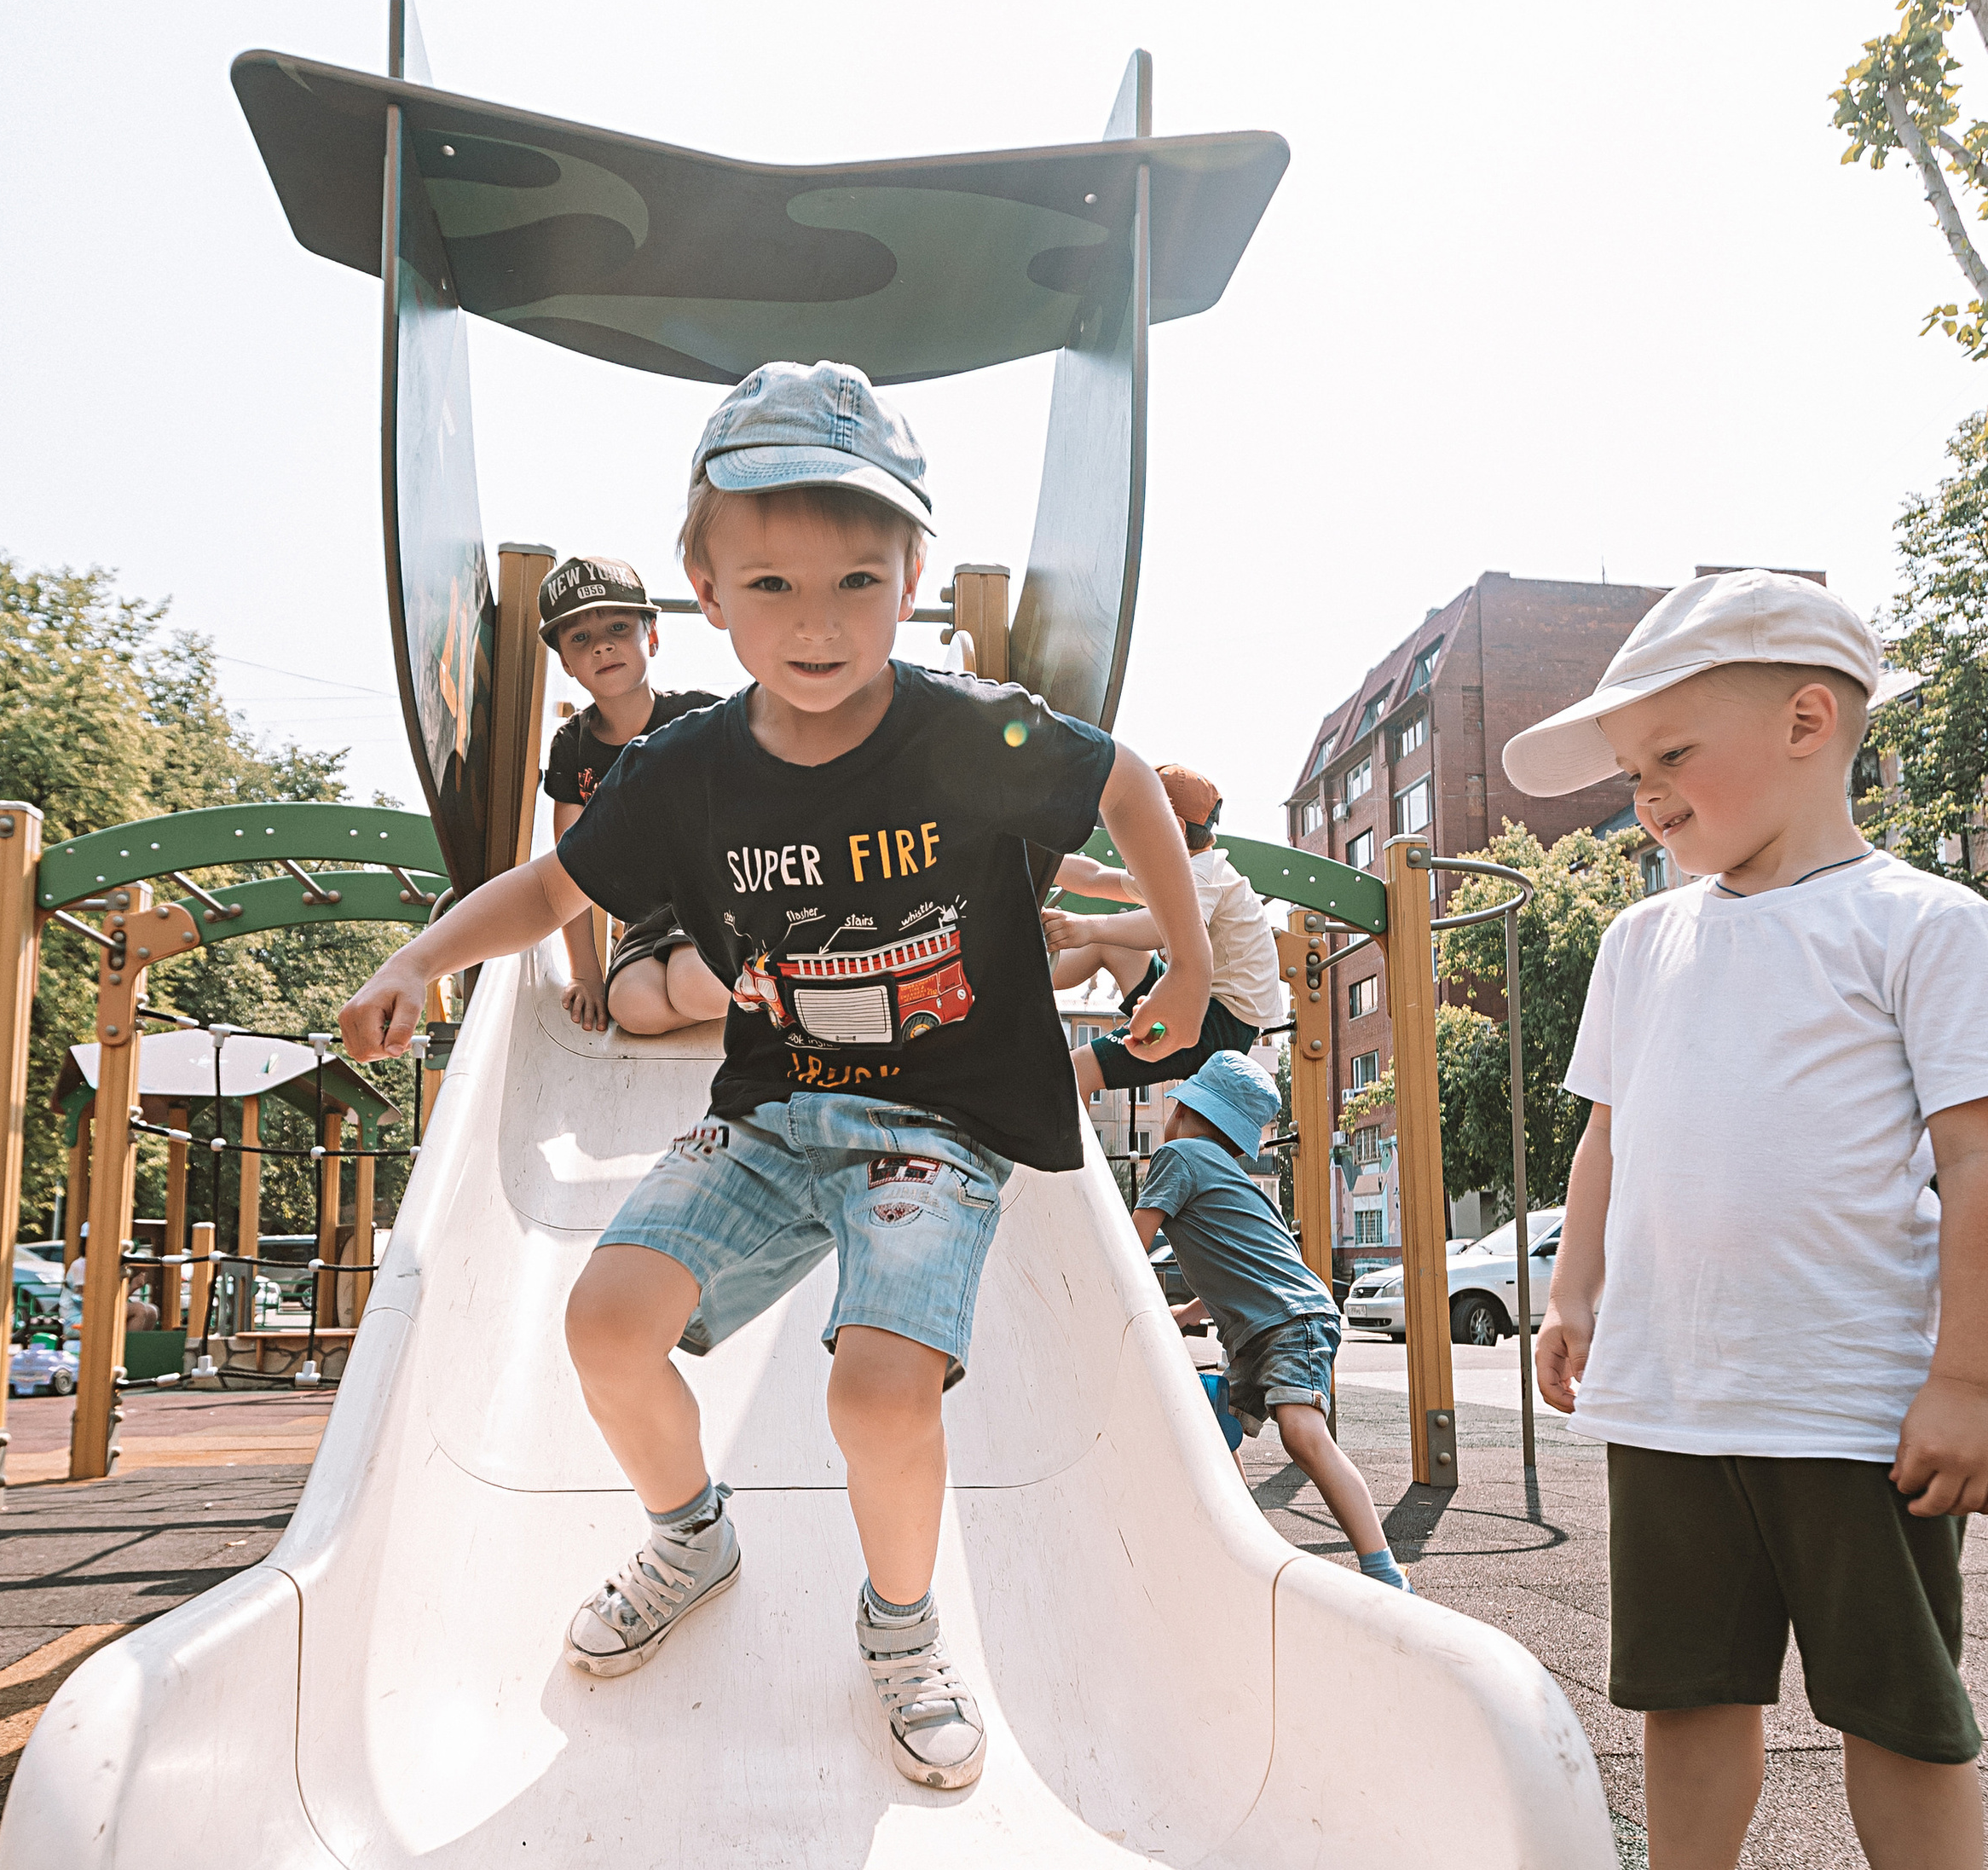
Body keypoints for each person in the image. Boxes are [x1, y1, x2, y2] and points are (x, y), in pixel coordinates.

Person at [341, 358, 1209, 1792]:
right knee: (605, 1323)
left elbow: (1119, 780)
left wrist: (1185, 955)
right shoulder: (686, 771)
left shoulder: (964, 729)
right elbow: (554, 889)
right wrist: (419, 958)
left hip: (936, 1123)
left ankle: (902, 1629)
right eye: (773, 586)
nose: (818, 623)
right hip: (772, 1113)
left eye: (858, 582)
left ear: (912, 577)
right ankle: (692, 1535)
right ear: (707, 588)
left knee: (878, 1395)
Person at [1510, 569, 1988, 1870]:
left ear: (1806, 720)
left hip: (1853, 1396)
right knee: (1687, 1686)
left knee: (1901, 1709)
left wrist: (1968, 1379)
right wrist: (1574, 1291)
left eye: (1670, 760)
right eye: (1631, 775)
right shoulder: (1642, 941)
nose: (1646, 801)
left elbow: (1974, 1163)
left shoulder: (1923, 926)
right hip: (1673, 1393)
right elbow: (1608, 1135)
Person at [1130, 1051, 1408, 1591]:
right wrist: (1187, 1313)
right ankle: (1249, 1545)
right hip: (1277, 1320)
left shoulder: (1177, 1156)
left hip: (1287, 1322)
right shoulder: (1234, 1180)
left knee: (1303, 1434)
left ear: (1183, 1109)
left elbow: (1130, 1243)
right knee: (1217, 1428)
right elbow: (1248, 1269)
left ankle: (1386, 1573)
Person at [538, 555, 727, 1038]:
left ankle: (771, 988)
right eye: (580, 638)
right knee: (632, 1008)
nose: (602, 646)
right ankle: (750, 995)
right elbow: (572, 867)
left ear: (653, 637)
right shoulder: (573, 747)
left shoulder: (700, 719)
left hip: (714, 899)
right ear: (566, 663)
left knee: (695, 984)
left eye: (619, 628)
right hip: (646, 920)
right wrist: (586, 974)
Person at [1043, 766, 1285, 1103]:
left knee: (1075, 1070)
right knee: (1113, 944)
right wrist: (1033, 857)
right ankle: (1019, 985)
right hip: (1197, 1001)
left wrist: (1086, 926)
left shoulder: (1203, 875)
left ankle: (1072, 1140)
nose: (1119, 840)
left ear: (1175, 829)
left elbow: (1167, 927)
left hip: (1216, 1026)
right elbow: (1094, 877)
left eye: (1128, 827)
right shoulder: (1173, 870)